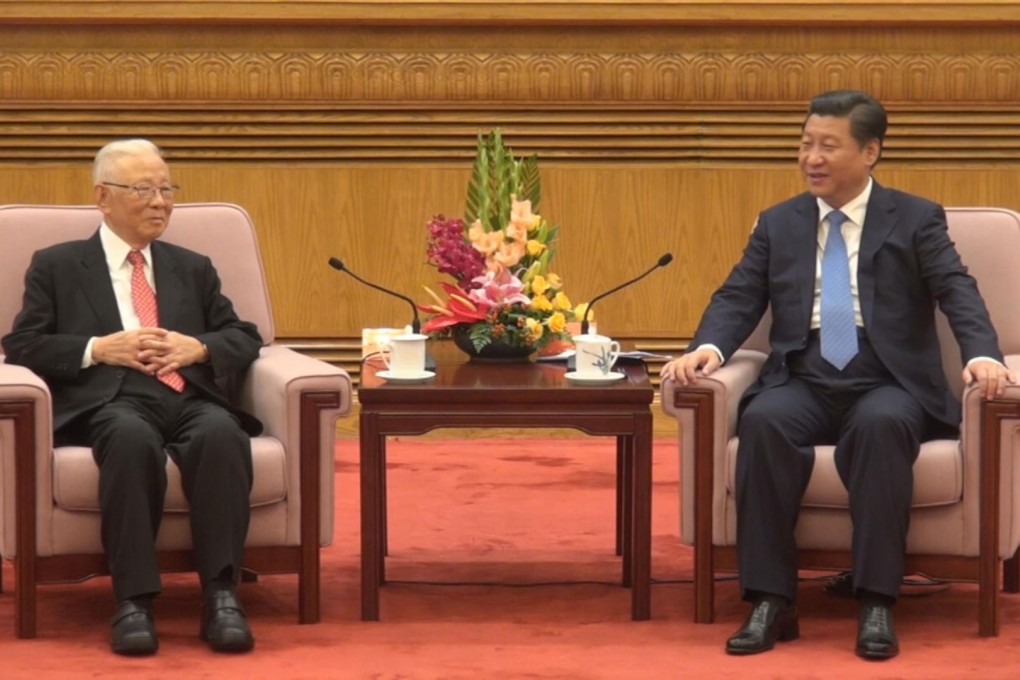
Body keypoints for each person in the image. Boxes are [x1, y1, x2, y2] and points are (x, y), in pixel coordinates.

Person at [660, 90, 1015, 660]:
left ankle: (876, 600)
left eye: (828, 146)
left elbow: (957, 289)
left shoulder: (915, 218)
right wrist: (708, 347)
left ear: (870, 151)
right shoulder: (779, 223)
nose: (812, 158)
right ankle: (771, 600)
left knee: (880, 428)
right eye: (806, 144)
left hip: (887, 379)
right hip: (804, 375)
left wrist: (982, 353)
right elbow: (739, 295)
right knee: (765, 423)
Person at [2, 139, 263, 656]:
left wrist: (198, 347)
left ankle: (221, 596)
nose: (160, 202)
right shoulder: (58, 265)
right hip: (112, 400)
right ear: (103, 196)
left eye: (167, 189)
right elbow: (23, 344)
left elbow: (245, 336)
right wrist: (98, 348)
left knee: (222, 434)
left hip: (189, 396)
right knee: (129, 440)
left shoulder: (192, 266)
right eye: (144, 189)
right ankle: (133, 601)